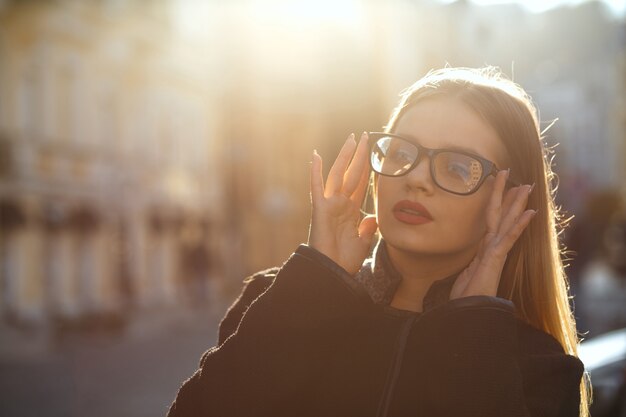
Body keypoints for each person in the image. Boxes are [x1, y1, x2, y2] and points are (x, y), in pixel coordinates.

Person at [167, 67, 589, 417]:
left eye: (459, 168)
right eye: (401, 153)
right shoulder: (279, 301)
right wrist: (317, 283)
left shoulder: (539, 367)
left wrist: (473, 326)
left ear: (511, 199)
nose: (416, 178)